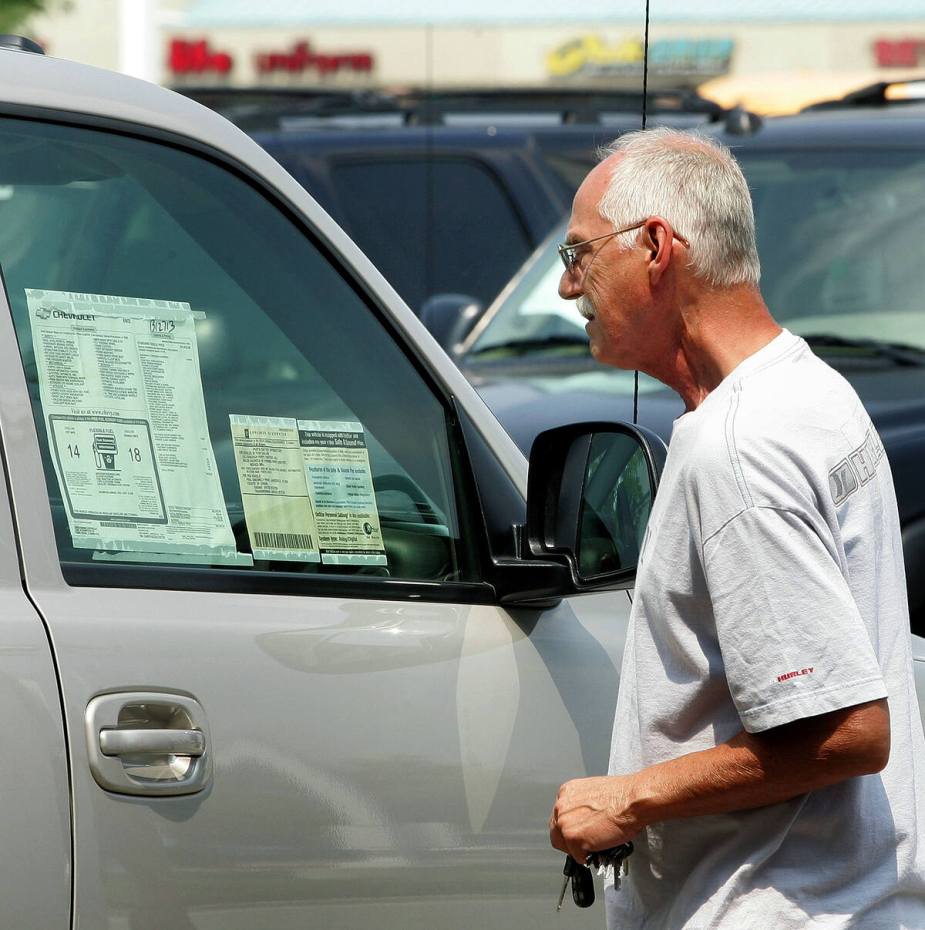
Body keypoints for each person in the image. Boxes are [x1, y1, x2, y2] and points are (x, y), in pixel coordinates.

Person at [548, 127, 925, 928]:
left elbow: (850, 731)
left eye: (577, 255)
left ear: (654, 246)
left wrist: (629, 796)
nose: (567, 289)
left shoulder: (738, 447)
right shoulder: (808, 389)